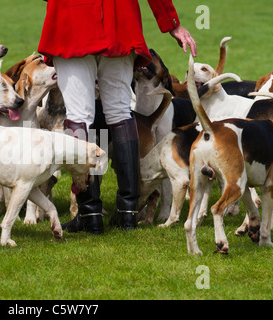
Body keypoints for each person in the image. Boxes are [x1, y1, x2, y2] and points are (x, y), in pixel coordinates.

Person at [38, 0, 197, 234]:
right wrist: (172, 24)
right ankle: (127, 213)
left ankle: (89, 214)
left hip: (72, 20)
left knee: (79, 117)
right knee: (121, 113)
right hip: (120, 23)